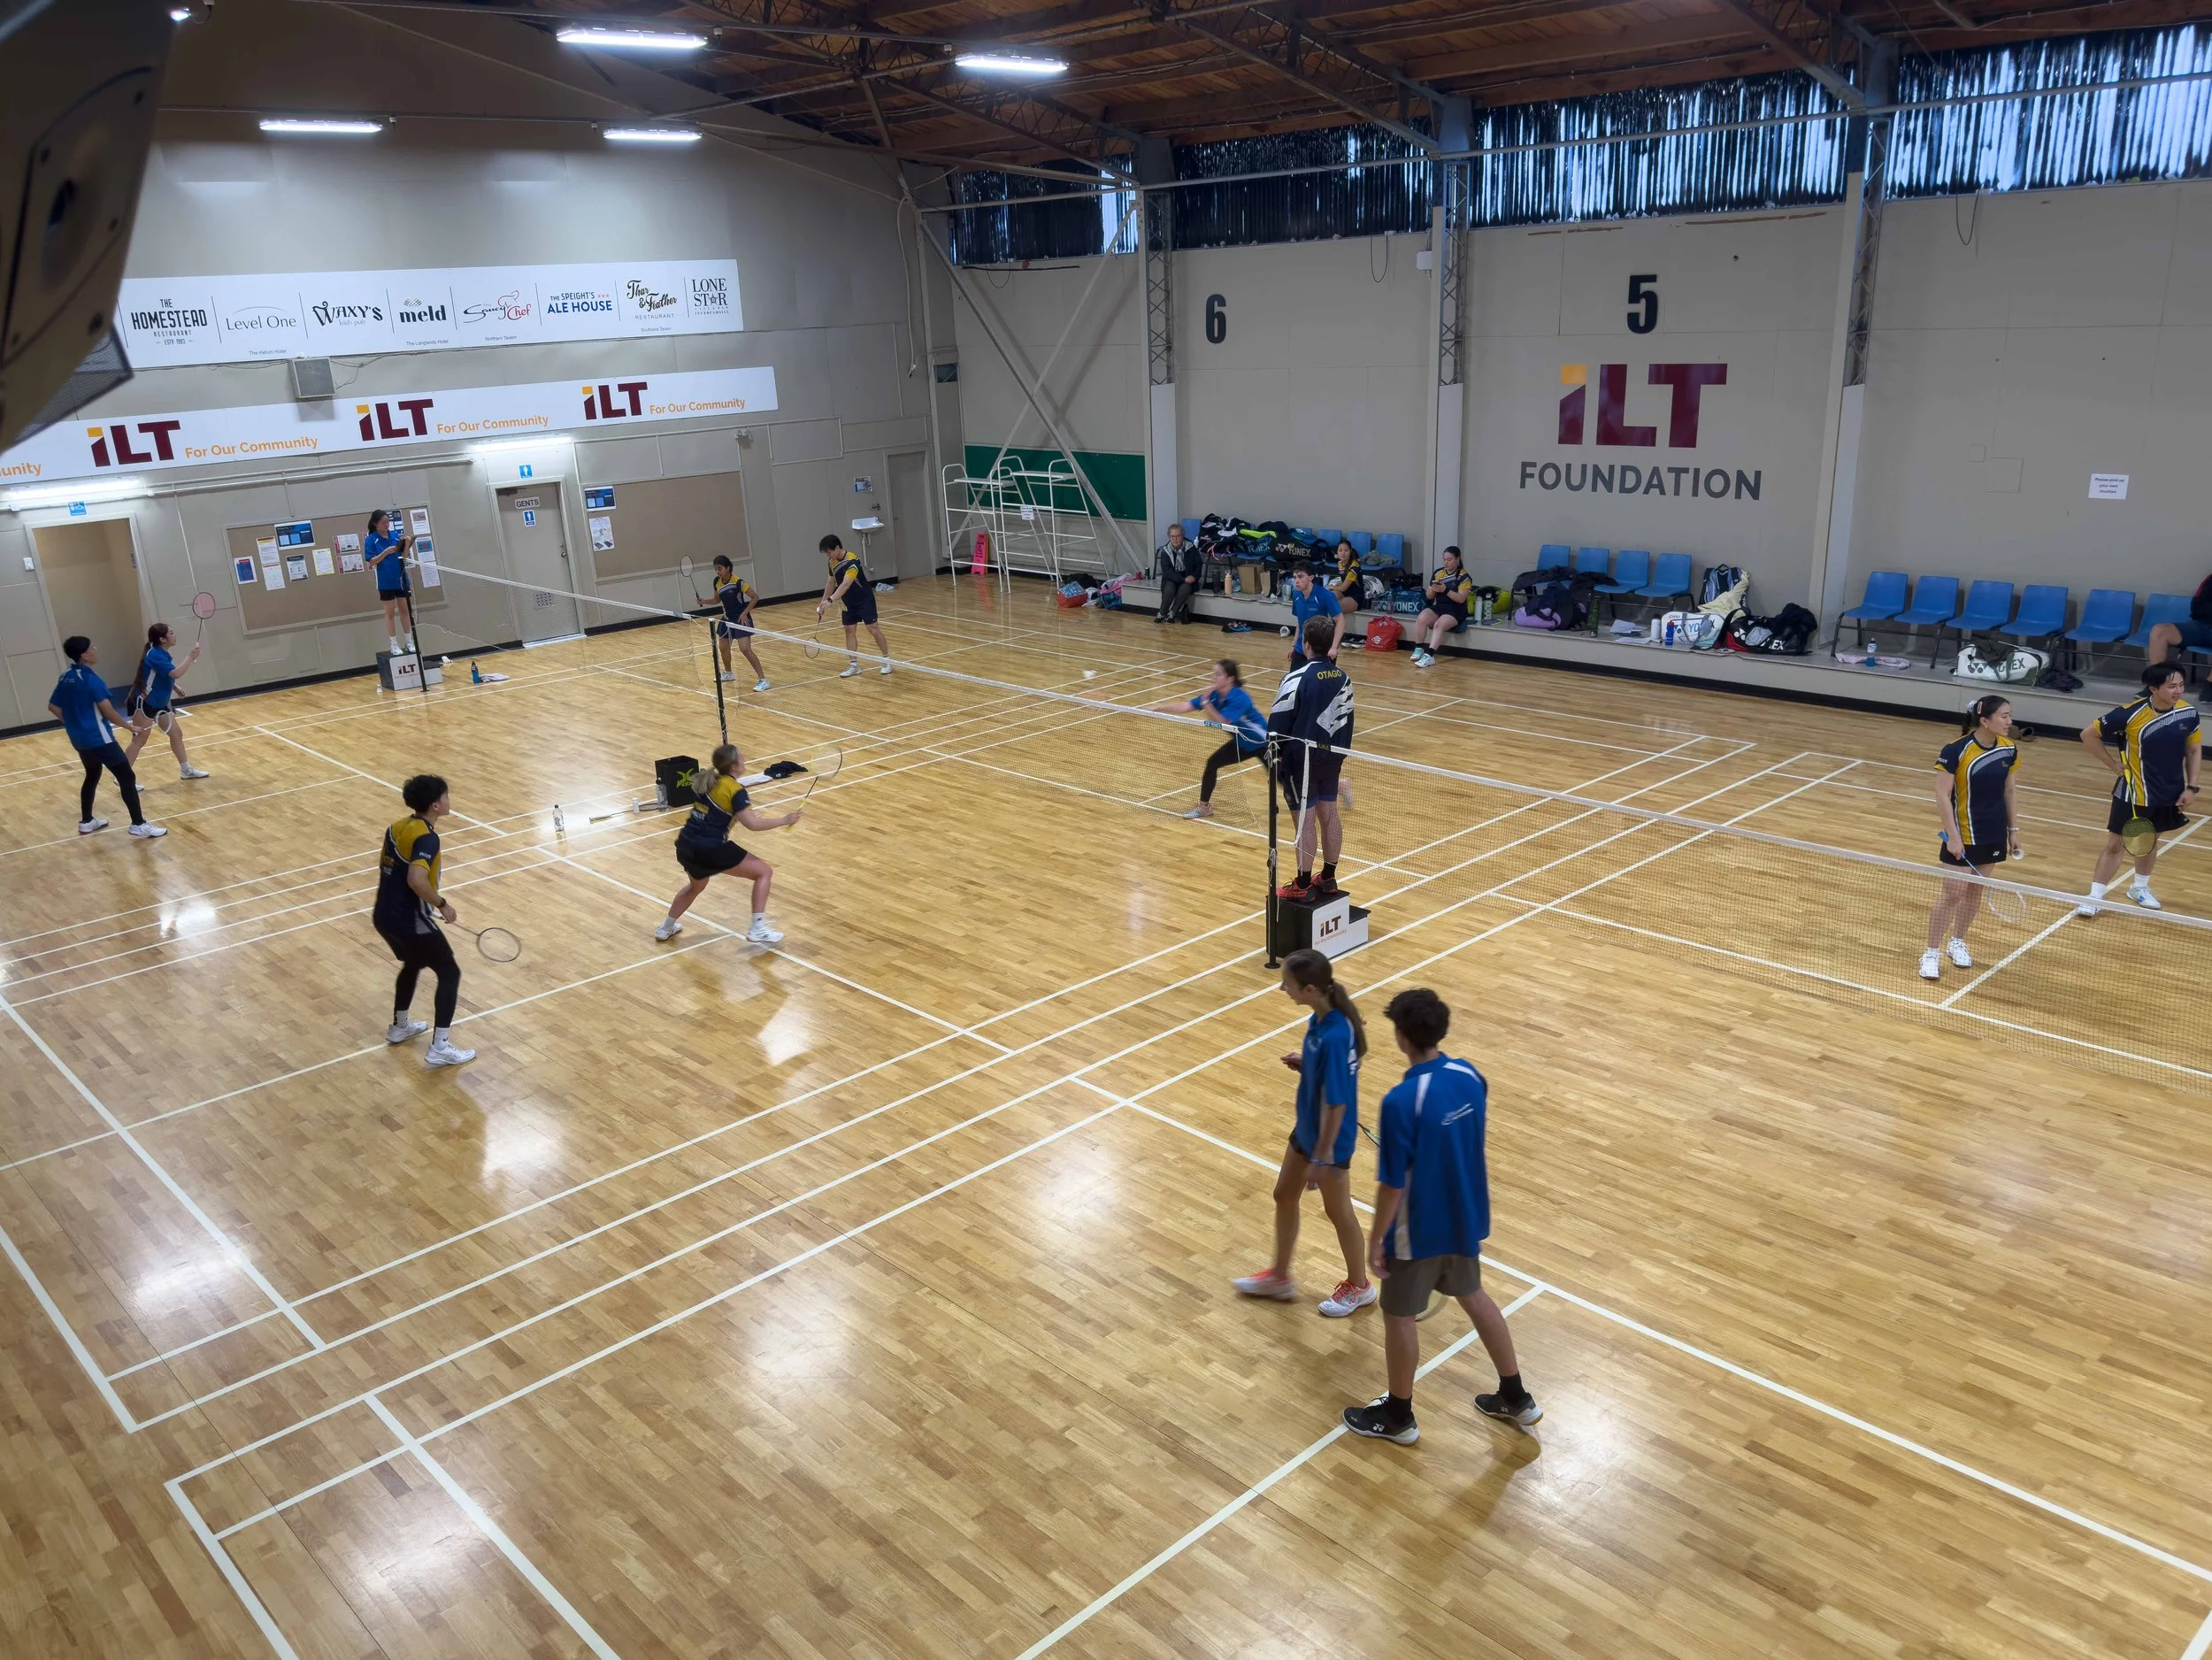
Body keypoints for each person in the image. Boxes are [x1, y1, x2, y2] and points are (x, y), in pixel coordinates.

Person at [1343, 988, 1540, 1444]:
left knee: (1399, 1316)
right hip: (1465, 1218)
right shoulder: (1471, 1076)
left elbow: (1393, 1185)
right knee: (1475, 1297)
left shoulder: (1400, 1102)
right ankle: (1516, 1396)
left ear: (1401, 1037)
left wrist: (1376, 1243)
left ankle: (1399, 1415)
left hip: (1419, 1230)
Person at [1230, 948, 1374, 1318]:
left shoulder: (1336, 1034)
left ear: (1309, 988)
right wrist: (1306, 1063)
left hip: (1330, 1139)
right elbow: (1326, 1075)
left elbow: (1337, 1104)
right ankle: (1279, 1277)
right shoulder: (1319, 1020)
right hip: (1308, 1128)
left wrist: (1322, 1158)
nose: (1282, 989)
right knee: (1283, 1195)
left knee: (1337, 1210)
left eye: (1288, 984)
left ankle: (1360, 1285)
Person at [2078, 660, 2201, 916]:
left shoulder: (2188, 713)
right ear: (2153, 688)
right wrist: (2112, 765)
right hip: (2134, 791)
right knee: (2115, 845)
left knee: (2150, 840)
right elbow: (2088, 735)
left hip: (2169, 792)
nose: (2178, 691)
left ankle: (2139, 888)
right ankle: (2094, 896)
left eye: (2181, 685)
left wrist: (2192, 787)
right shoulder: (2129, 714)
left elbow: (2193, 749)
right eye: (2171, 686)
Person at [655, 742, 801, 944]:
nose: (745, 759)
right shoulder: (735, 790)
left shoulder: (710, 781)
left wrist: (740, 816)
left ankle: (665, 928)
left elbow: (715, 814)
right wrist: (784, 820)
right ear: (733, 766)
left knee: (696, 886)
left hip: (686, 845)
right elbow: (753, 825)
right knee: (763, 872)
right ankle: (758, 928)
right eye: (741, 757)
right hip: (710, 848)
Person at [374, 773, 472, 1068]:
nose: (448, 800)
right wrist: (441, 904)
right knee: (449, 971)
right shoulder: (427, 837)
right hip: (410, 919)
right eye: (446, 796)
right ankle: (440, 1046)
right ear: (435, 805)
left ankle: (400, 1026)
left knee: (414, 962)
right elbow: (416, 879)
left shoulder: (396, 827)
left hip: (383, 915)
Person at [1922, 694, 2020, 980]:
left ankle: (1958, 941)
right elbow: (1942, 795)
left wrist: (2013, 832)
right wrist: (1953, 837)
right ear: (1984, 720)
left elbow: (2010, 791)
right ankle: (1931, 951)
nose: (2009, 722)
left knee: (1975, 890)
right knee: (1953, 893)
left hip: (1992, 832)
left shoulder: (2009, 749)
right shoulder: (1956, 750)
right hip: (1962, 831)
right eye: (2004, 716)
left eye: (2009, 715)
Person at [1270, 614, 1356, 900]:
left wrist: (1277, 756)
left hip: (1301, 759)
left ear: (1305, 644)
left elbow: (1278, 723)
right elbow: (1347, 719)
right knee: (1329, 814)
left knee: (1304, 820)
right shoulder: (1344, 678)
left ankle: (1303, 884)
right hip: (1333, 757)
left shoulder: (1296, 677)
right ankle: (1328, 877)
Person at [48, 637, 164, 839]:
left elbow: (53, 706)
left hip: (79, 739)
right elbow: (108, 711)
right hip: (99, 739)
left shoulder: (66, 676)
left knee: (92, 774)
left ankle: (87, 822)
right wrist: (131, 727)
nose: (95, 649)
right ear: (84, 654)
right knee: (127, 777)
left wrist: (75, 723)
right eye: (92, 647)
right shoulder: (92, 680)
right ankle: (138, 824)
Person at [1149, 659, 1268, 819]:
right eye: (1214, 674)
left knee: (1284, 780)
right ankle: (1204, 807)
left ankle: (1307, 802)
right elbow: (1185, 706)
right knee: (1212, 763)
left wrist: (1206, 703)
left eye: (1218, 674)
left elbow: (1223, 722)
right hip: (1242, 742)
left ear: (1230, 679)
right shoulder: (1213, 695)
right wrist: (1158, 707)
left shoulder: (1240, 698)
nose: (1214, 678)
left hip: (1264, 743)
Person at [123, 622, 210, 781]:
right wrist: (191, 657)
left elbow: (161, 674)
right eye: (171, 633)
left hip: (159, 703)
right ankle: (123, 778)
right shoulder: (155, 654)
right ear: (163, 639)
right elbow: (175, 673)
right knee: (139, 740)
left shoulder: (162, 653)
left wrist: (174, 687)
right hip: (144, 702)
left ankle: (186, 770)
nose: (174, 635)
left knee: (176, 733)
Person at [817, 534, 891, 678]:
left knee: (873, 629)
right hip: (848, 603)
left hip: (864, 600)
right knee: (849, 631)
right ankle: (854, 665)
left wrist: (830, 601)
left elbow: (845, 584)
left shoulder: (852, 561)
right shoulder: (832, 562)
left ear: (837, 548)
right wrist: (823, 602)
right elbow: (831, 582)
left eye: (829, 552)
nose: (828, 555)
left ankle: (887, 659)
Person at [710, 556, 770, 691]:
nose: (718, 572)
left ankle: (763, 680)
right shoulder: (717, 582)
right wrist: (704, 602)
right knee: (723, 648)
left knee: (745, 650)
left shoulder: (738, 582)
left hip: (740, 619)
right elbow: (716, 600)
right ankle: (728, 673)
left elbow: (755, 597)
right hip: (727, 619)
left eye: (720, 569)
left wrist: (744, 613)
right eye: (716, 569)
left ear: (728, 568)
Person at [2147, 575, 2212, 699]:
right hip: (2201, 625)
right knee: (2159, 631)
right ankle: (2156, 683)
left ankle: (2210, 685)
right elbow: (2197, 605)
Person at [1409, 547, 1474, 668]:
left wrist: (1445, 590)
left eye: (1449, 560)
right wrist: (1432, 591)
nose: (1446, 563)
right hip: (1439, 606)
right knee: (1422, 618)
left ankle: (1430, 656)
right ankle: (1419, 648)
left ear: (1458, 559)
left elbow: (1461, 599)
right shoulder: (1439, 573)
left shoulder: (1464, 577)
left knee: (1439, 624)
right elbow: (1429, 596)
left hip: (1456, 610)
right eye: (1444, 559)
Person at [365, 511, 414, 657]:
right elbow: (372, 561)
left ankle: (408, 641)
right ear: (375, 523)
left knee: (405, 611)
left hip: (401, 579)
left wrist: (407, 544)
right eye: (383, 523)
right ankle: (393, 644)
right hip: (386, 581)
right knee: (390, 613)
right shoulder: (371, 539)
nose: (386, 525)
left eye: (388, 522)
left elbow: (403, 556)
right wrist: (385, 552)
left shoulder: (394, 535)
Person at [1286, 563, 1345, 668]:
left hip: (1322, 651)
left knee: (1322, 684)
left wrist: (1334, 647)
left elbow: (1340, 620)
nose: (1296, 581)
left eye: (1300, 576)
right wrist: (1294, 647)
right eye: (1295, 577)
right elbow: (1300, 624)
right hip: (1301, 649)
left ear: (1311, 577)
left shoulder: (1326, 596)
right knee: (1296, 683)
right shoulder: (1296, 595)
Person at [1156, 522, 1202, 626]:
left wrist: (1193, 576)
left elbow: (1199, 565)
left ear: (1183, 535)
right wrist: (1183, 579)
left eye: (1178, 536)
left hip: (1188, 579)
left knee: (1185, 588)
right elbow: (1167, 572)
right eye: (1172, 536)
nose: (1175, 539)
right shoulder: (1165, 551)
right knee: (1169, 589)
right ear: (1169, 537)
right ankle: (1162, 613)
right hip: (1172, 578)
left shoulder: (1191, 548)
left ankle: (1172, 613)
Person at [1328, 536, 1365, 643]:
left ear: (1351, 551)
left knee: (1335, 606)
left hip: (1356, 597)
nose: (1343, 553)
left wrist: (1331, 587)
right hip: (1345, 593)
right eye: (1340, 550)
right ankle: (1328, 631)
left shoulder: (1355, 567)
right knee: (1330, 597)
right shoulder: (1340, 563)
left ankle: (1338, 634)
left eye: (1346, 550)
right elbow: (1343, 586)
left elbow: (1344, 587)